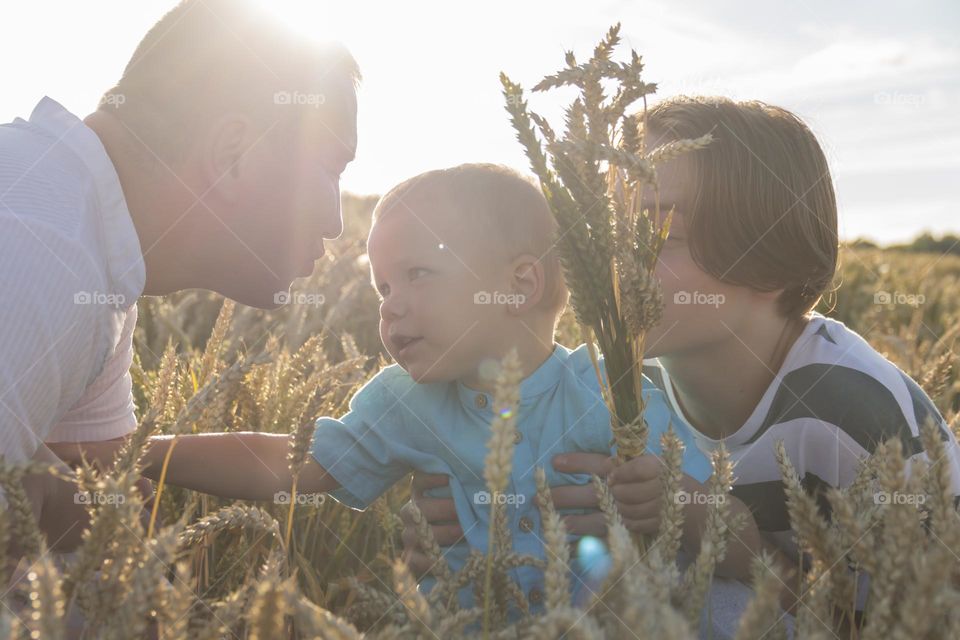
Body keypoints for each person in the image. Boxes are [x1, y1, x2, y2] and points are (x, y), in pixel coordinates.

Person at [52, 164, 770, 613]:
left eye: (418, 276)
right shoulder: (403, 401)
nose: (389, 306)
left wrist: (683, 506)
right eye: (381, 286)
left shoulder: (614, 396)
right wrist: (148, 450)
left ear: (521, 284)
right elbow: (299, 460)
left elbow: (740, 551)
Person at [402, 97, 960, 637]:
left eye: (657, 234)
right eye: (610, 229)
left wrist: (715, 531)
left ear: (770, 264)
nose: (618, 259)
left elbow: (894, 625)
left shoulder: (854, 414)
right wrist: (472, 520)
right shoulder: (621, 387)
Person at [0, 0, 358, 579]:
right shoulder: (44, 255)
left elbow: (114, 509)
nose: (338, 222)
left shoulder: (97, 255)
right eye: (332, 168)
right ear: (233, 154)